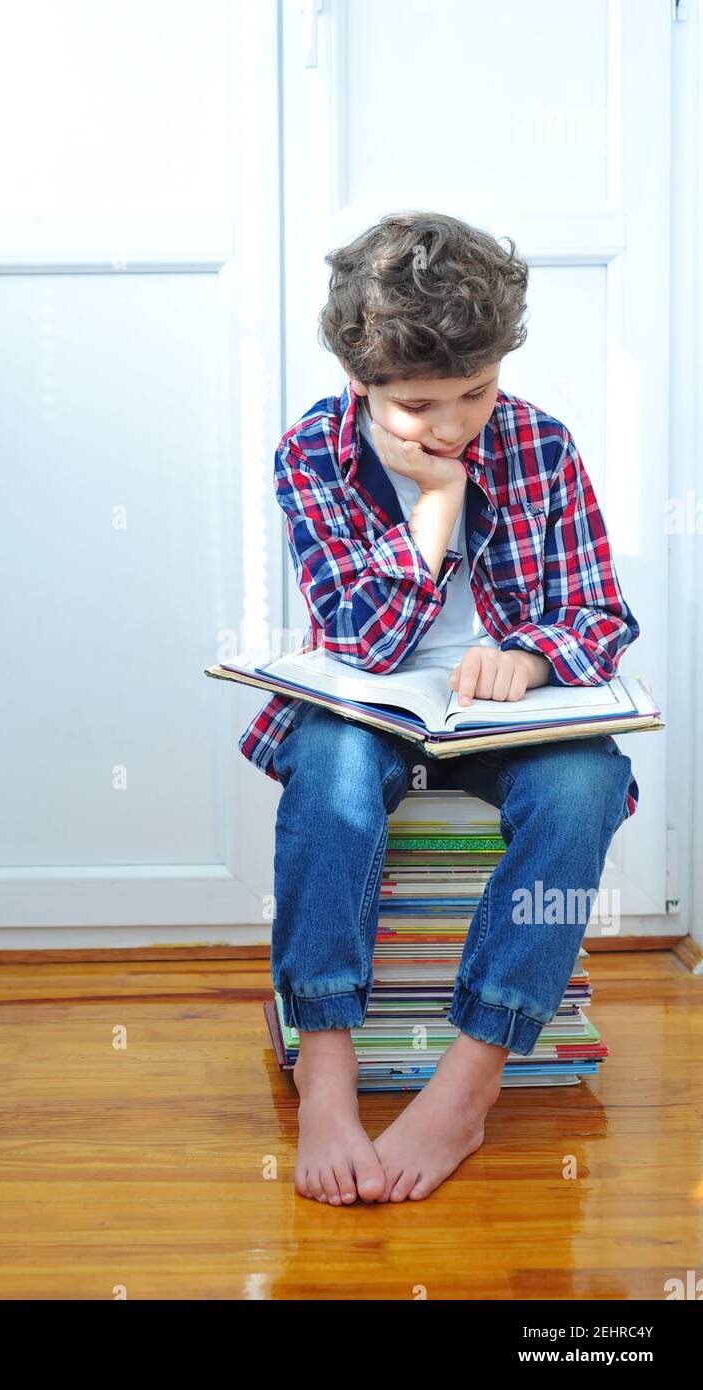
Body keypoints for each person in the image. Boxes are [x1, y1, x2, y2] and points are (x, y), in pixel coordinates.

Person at [239, 211, 639, 1205]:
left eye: (477, 392)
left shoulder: (543, 443)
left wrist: (535, 655)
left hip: (507, 729)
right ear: (360, 384)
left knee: (588, 782)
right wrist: (436, 503)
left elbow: (600, 612)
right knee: (330, 770)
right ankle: (326, 1071)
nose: (456, 425)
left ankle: (469, 1084)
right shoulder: (311, 455)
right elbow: (362, 639)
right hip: (368, 718)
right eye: (419, 405)